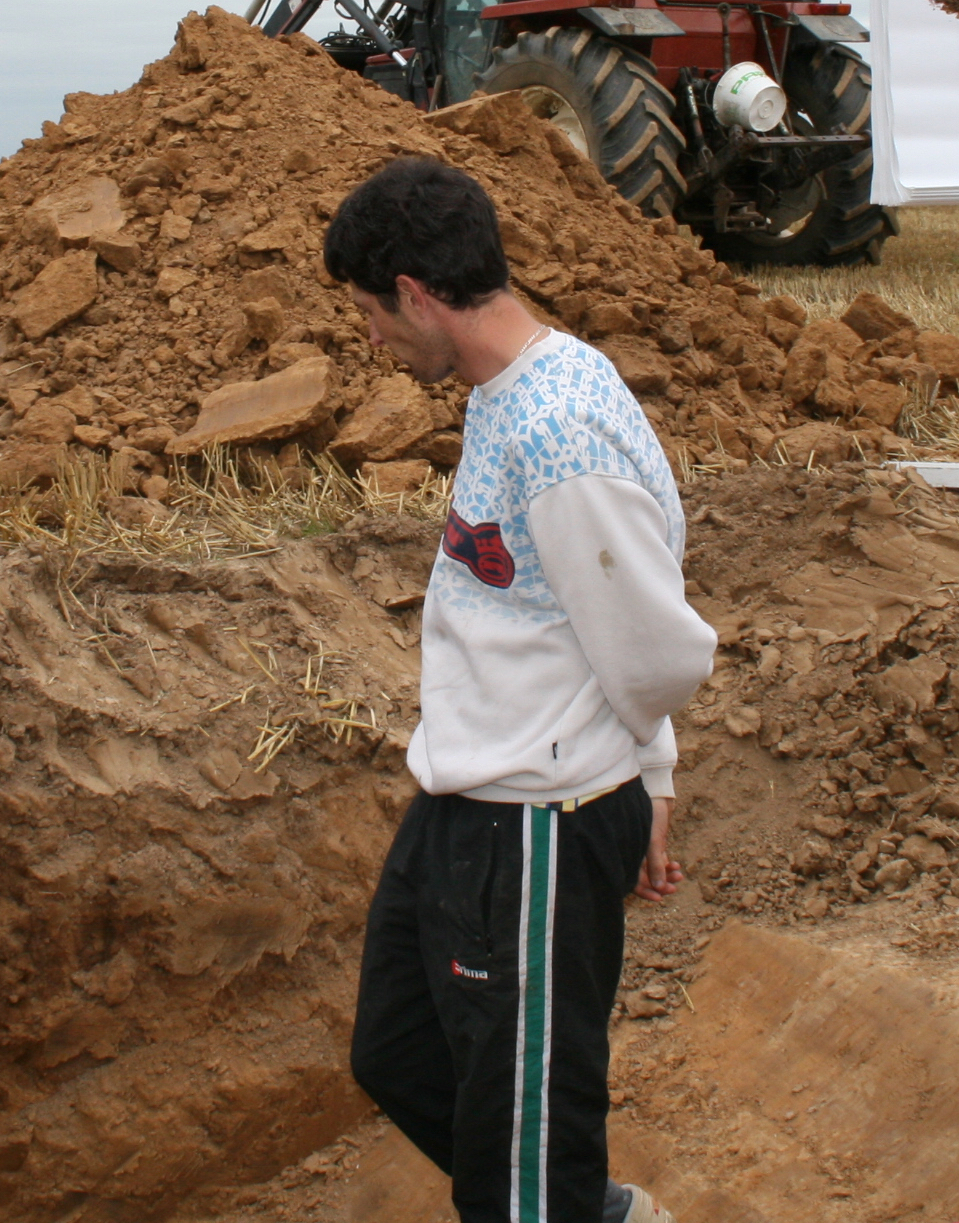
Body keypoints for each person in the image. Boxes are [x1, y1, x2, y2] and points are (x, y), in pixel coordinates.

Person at [326, 159, 716, 1223]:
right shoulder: (505, 396)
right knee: (396, 1049)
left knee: (523, 1159)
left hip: (538, 823)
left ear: (412, 292)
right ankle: (569, 1202)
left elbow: (654, 647)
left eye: (368, 312)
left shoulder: (556, 431)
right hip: (469, 797)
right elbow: (581, 616)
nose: (369, 338)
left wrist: (641, 772)